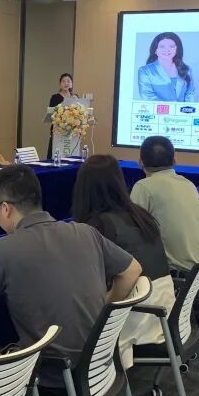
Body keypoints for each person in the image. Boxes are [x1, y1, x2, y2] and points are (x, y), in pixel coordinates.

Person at [0, 165, 142, 383]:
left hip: (54, 373)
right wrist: (107, 306)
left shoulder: (5, 248)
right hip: (101, 365)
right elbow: (132, 270)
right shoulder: (85, 232)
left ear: (5, 208)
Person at [72, 155, 172, 368]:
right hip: (164, 311)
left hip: (137, 317)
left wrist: (107, 304)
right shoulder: (141, 215)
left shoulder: (97, 226)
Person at [130, 136, 199, 274]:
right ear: (175, 160)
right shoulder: (188, 184)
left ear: (140, 162)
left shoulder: (143, 187)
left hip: (183, 277)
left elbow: (130, 232)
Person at [136, 32, 196, 102]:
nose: (167, 50)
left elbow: (190, 94)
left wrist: (186, 108)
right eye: (162, 46)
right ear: (155, 50)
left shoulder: (186, 70)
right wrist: (171, 108)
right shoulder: (145, 71)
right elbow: (148, 96)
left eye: (171, 46)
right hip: (158, 109)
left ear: (177, 49)